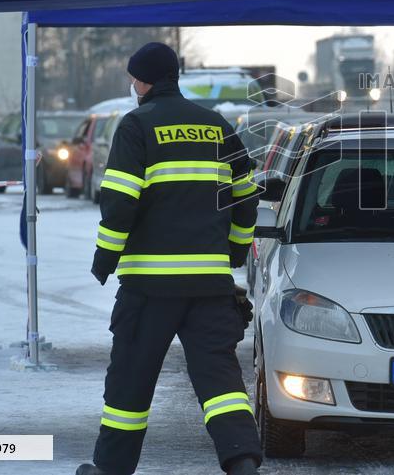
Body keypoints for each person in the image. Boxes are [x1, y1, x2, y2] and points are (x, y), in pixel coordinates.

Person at [77, 42, 261, 475]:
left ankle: (111, 469)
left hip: (149, 288)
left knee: (130, 383)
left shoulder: (136, 125)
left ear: (143, 81)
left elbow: (119, 202)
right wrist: (234, 250)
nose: (132, 85)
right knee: (221, 385)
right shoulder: (218, 125)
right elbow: (246, 195)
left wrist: (105, 258)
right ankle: (243, 464)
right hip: (210, 289)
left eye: (134, 78)